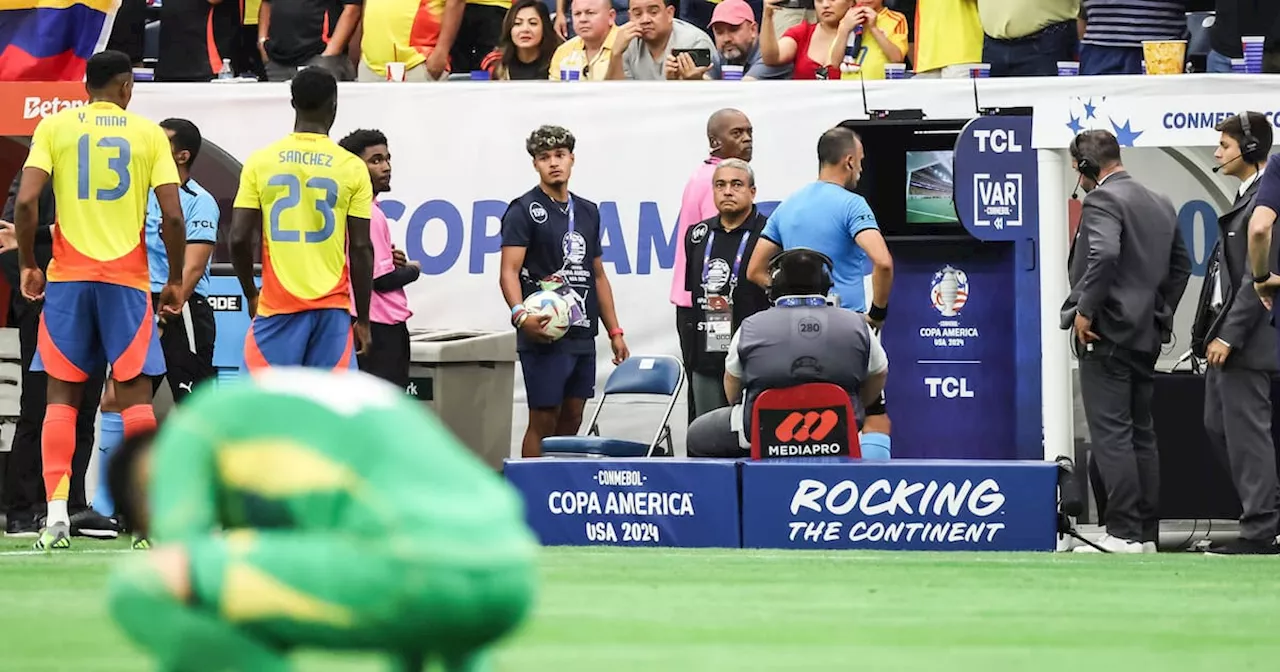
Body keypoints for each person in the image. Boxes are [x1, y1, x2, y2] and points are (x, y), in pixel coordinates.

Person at [103, 367, 537, 672]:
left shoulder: (193, 426)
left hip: (408, 566)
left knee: (144, 585)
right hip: (511, 571)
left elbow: (185, 558)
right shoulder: (329, 399)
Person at [13, 50, 186, 551]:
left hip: (68, 278)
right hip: (127, 281)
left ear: (86, 85)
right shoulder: (148, 133)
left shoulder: (55, 128)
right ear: (127, 86)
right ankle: (147, 522)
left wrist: (28, 262)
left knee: (61, 401)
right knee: (135, 403)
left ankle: (56, 516)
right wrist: (173, 279)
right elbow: (172, 218)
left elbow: (26, 202)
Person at [1060, 129, 1191, 554]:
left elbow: (1104, 255)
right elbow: (1181, 267)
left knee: (1113, 435)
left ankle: (1123, 532)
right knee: (1140, 434)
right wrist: (1158, 312)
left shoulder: (1102, 199)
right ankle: (1144, 534)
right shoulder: (1161, 201)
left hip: (1107, 333)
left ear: (1085, 166)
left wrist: (1085, 311)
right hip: (1144, 335)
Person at [94, 118, 221, 538]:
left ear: (182, 154)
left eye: (162, 143)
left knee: (195, 411)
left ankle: (207, 509)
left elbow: (195, 264)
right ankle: (108, 509)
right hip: (136, 302)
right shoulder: (141, 195)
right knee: (116, 397)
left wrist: (168, 310)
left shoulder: (198, 200)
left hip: (183, 309)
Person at [745, 126, 893, 458]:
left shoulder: (789, 205)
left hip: (789, 333)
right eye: (862, 162)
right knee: (874, 419)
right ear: (850, 161)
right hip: (845, 330)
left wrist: (789, 295)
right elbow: (882, 262)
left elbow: (754, 270)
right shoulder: (853, 205)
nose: (862, 169)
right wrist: (877, 315)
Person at [229, 68, 375, 373]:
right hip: (331, 310)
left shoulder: (261, 161)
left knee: (262, 410)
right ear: (334, 105)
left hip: (278, 305)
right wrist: (362, 318)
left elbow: (239, 238)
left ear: (293, 103)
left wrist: (251, 293)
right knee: (329, 411)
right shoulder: (351, 166)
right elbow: (361, 248)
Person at [499, 125, 630, 458]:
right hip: (543, 332)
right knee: (543, 419)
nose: (553, 163)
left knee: (572, 418)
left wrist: (614, 330)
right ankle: (530, 494)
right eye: (544, 158)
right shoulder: (523, 209)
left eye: (559, 156)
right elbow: (508, 272)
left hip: (582, 332)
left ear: (572, 159)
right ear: (535, 165)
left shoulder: (588, 211)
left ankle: (556, 490)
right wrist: (520, 316)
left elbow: (597, 274)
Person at [686, 248, 888, 457]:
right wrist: (853, 403)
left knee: (696, 436)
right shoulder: (857, 325)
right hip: (839, 429)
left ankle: (742, 485)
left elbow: (732, 385)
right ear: (826, 284)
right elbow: (879, 373)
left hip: (761, 431)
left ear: (774, 286)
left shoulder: (750, 326)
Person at [0, 173, 113, 540]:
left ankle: (71, 504)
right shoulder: (38, 174)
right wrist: (32, 291)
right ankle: (22, 509)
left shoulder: (94, 181)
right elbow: (8, 236)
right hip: (44, 304)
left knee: (85, 407)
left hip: (92, 298)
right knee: (38, 406)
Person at [1190, 113, 1280, 556]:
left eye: (1224, 145)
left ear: (1248, 148)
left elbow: (1255, 280)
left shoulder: (1266, 199)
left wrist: (1228, 335)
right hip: (1231, 336)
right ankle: (1263, 513)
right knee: (1218, 427)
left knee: (1246, 434)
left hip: (1248, 340)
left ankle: (1262, 529)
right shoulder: (1249, 196)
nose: (1216, 153)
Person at [673, 109, 754, 422]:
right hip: (713, 307)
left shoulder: (704, 173)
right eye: (736, 133)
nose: (746, 138)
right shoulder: (716, 179)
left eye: (749, 131)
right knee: (717, 411)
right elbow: (720, 245)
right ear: (714, 141)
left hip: (704, 305)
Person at [683, 159, 770, 420]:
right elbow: (696, 291)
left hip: (754, 357)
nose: (727, 191)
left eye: (736, 184)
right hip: (708, 356)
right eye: (720, 185)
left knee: (751, 436)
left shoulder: (768, 234)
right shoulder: (697, 234)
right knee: (708, 436)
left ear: (752, 192)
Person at [338, 129, 421, 389]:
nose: (386, 167)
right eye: (375, 161)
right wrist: (413, 269)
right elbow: (381, 279)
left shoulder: (349, 208)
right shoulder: (369, 214)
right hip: (379, 326)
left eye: (387, 159)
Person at [605, 0, 716, 80]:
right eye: (637, 14)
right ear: (630, 16)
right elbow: (617, 96)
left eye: (653, 12)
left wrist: (692, 81)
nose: (645, 20)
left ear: (669, 13)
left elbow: (711, 95)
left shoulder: (695, 41)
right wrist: (615, 53)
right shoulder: (627, 41)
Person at [705, 0, 793, 80]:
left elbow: (744, 88)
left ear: (753, 30)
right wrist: (695, 77)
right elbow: (704, 81)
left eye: (733, 30)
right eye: (719, 32)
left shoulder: (769, 55)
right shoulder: (723, 54)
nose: (726, 39)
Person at [480, 0, 564, 79]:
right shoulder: (495, 62)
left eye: (533, 23)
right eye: (517, 23)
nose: (525, 29)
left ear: (545, 28)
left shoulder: (561, 59)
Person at [547, 0, 620, 80]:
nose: (582, 19)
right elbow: (555, 90)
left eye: (590, 13)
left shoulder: (627, 45)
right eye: (577, 14)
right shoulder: (563, 51)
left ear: (611, 16)